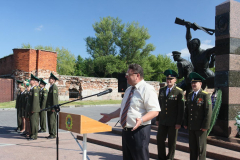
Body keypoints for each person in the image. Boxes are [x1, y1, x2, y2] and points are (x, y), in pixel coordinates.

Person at [99, 64, 160, 160]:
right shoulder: (128, 89)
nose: (126, 76)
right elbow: (124, 109)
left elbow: (154, 111)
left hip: (139, 131)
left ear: (137, 75)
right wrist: (110, 116)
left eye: (129, 74)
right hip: (126, 132)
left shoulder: (147, 89)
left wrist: (141, 119)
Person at [156, 69, 185, 160]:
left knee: (172, 142)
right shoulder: (162, 90)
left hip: (173, 122)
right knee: (160, 139)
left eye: (171, 79)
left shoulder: (179, 92)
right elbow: (159, 105)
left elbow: (181, 109)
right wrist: (157, 118)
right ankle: (161, 157)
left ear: (175, 80)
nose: (169, 81)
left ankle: (170, 158)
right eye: (167, 79)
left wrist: (179, 122)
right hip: (162, 120)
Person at [184, 72, 212, 160]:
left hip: (200, 127)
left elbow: (208, 112)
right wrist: (185, 122)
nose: (193, 85)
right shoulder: (189, 95)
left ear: (200, 83)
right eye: (192, 83)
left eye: (195, 83)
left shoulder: (205, 95)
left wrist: (205, 126)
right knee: (192, 148)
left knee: (201, 149)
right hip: (191, 126)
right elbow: (187, 110)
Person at [185, 24, 215, 89]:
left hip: (207, 75)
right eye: (191, 45)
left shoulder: (205, 52)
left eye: (193, 45)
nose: (191, 46)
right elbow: (188, 39)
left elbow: (217, 48)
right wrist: (188, 28)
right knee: (197, 93)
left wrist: (221, 34)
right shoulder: (192, 53)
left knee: (214, 92)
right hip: (198, 75)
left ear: (197, 45)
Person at [46, 72, 59, 139]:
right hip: (49, 107)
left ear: (53, 80)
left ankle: (53, 134)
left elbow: (55, 98)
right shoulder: (51, 87)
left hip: (52, 108)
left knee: (52, 121)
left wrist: (54, 107)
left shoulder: (54, 87)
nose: (49, 79)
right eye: (49, 78)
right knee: (49, 121)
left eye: (50, 79)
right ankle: (51, 133)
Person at [28, 74, 40, 140]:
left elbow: (35, 100)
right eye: (30, 80)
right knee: (32, 122)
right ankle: (32, 134)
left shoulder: (35, 89)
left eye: (31, 80)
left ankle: (34, 136)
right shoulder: (32, 89)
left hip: (34, 109)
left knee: (34, 123)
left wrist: (33, 109)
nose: (30, 81)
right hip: (31, 109)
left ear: (34, 82)